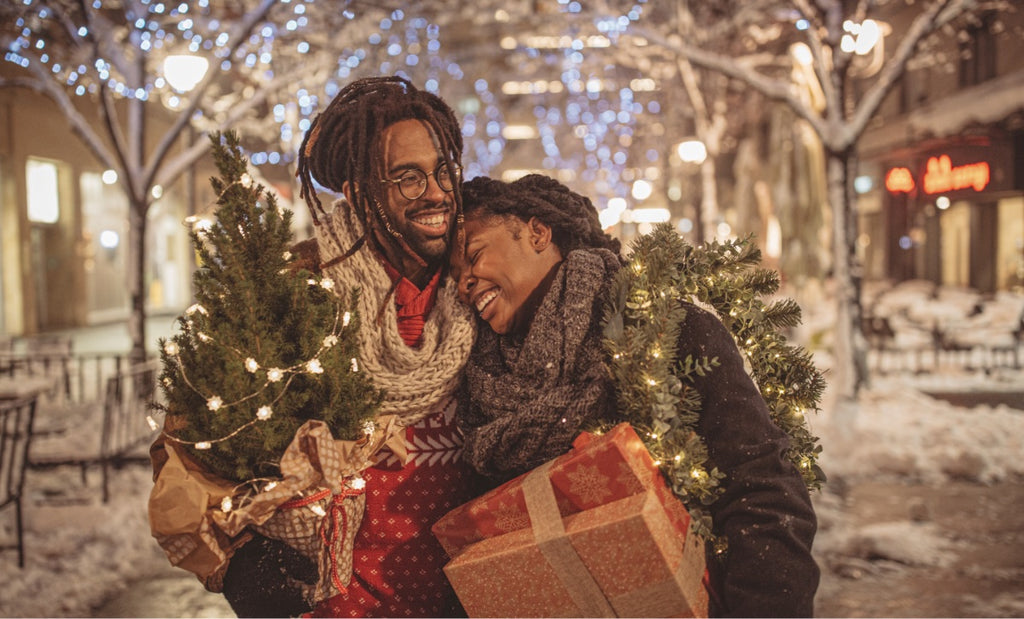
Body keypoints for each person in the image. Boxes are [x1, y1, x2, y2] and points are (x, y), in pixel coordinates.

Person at [149, 76, 479, 618]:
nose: (438, 192)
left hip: (473, 599)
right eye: (408, 179)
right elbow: (189, 449)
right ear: (356, 193)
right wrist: (242, 563)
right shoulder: (294, 293)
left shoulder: (478, 283)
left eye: (442, 172)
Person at [452, 173, 820, 617]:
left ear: (537, 232)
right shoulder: (481, 390)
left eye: (473, 256)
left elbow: (764, 494)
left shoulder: (664, 331)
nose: (463, 283)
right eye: (454, 276)